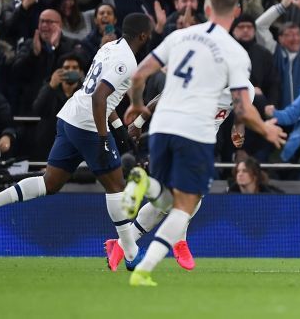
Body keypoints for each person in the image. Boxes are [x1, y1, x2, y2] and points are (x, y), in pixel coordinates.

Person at [0, 13, 154, 279]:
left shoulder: (109, 47)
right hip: (88, 124)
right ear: (143, 35)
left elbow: (95, 93)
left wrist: (119, 129)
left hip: (69, 116)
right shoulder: (127, 61)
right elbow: (99, 98)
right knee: (117, 186)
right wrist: (102, 138)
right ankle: (131, 255)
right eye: (151, 32)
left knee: (49, 183)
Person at [119, 0, 286, 287]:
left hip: (162, 126)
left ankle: (143, 205)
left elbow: (139, 74)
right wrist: (267, 129)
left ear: (207, 8)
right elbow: (245, 110)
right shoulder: (235, 53)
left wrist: (135, 105)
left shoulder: (178, 36)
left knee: (169, 200)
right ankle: (144, 266)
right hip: (194, 132)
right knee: (186, 206)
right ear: (236, 13)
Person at [106, 79, 256, 272]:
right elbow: (165, 95)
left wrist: (238, 129)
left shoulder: (246, 89)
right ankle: (178, 240)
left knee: (170, 201)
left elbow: (240, 116)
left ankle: (122, 244)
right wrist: (139, 122)